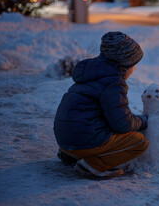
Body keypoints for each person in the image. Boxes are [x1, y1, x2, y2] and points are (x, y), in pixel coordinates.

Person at [54, 31, 149, 178]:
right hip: (83, 141)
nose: (135, 69)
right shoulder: (113, 83)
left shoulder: (91, 73)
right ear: (124, 66)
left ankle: (72, 155)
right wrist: (143, 121)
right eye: (133, 65)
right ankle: (92, 166)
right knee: (139, 142)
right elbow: (122, 124)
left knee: (98, 125)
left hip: (65, 139)